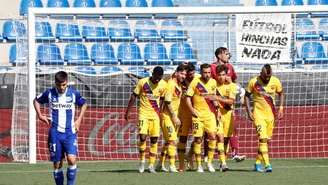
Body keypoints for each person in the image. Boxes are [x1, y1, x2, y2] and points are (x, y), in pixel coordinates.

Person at [33, 71, 88, 185]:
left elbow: (84, 104)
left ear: (67, 82)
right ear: (55, 83)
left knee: (72, 160)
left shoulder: (73, 94)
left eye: (64, 85)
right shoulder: (49, 93)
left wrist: (79, 120)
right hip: (55, 133)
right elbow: (36, 101)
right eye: (59, 85)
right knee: (57, 164)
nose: (62, 87)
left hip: (70, 132)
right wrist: (39, 115)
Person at [206, 47, 246, 163]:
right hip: (214, 103)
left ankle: (235, 153)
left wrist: (241, 89)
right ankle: (206, 155)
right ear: (219, 55)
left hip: (227, 103)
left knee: (231, 129)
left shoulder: (231, 67)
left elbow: (235, 80)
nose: (229, 56)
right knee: (211, 131)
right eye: (227, 54)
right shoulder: (212, 68)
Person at [125, 66, 167, 173]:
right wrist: (128, 111)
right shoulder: (143, 82)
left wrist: (160, 111)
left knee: (154, 140)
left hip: (155, 115)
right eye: (156, 77)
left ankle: (151, 165)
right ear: (152, 74)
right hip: (143, 113)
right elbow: (134, 95)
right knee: (143, 137)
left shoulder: (163, 85)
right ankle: (142, 161)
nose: (157, 80)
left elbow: (162, 98)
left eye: (159, 78)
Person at [244, 64, 284, 172]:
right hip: (258, 115)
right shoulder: (254, 82)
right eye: (265, 76)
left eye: (269, 77)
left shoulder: (275, 81)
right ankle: (267, 164)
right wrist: (249, 111)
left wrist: (281, 108)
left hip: (270, 115)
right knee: (262, 139)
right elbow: (246, 96)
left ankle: (257, 163)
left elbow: (281, 93)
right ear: (261, 73)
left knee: (266, 142)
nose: (267, 79)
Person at [186, 63, 220, 173]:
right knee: (198, 139)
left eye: (209, 72)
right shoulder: (195, 82)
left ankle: (209, 163)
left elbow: (214, 98)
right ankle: (199, 165)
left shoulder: (213, 82)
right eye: (205, 72)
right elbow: (187, 98)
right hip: (198, 116)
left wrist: (218, 110)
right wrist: (192, 110)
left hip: (210, 115)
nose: (207, 74)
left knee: (213, 137)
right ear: (200, 72)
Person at [155, 64, 187, 173]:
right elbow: (167, 103)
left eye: (185, 74)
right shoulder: (170, 85)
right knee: (173, 141)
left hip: (174, 118)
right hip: (167, 117)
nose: (183, 76)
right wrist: (174, 117)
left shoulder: (178, 85)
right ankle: (172, 166)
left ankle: (160, 164)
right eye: (182, 74)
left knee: (168, 142)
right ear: (176, 73)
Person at [209, 65, 237, 172]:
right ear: (216, 75)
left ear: (226, 75)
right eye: (219, 75)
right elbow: (212, 98)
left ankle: (222, 162)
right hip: (217, 115)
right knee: (220, 137)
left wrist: (217, 98)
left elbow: (230, 101)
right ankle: (223, 162)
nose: (221, 77)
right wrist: (218, 108)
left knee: (226, 139)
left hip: (228, 115)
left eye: (223, 75)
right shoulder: (213, 84)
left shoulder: (232, 86)